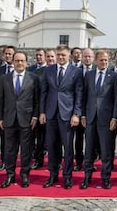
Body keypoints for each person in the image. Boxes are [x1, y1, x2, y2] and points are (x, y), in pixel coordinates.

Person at [39, 44, 83, 189]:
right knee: (52, 146)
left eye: (63, 55)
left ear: (69, 56)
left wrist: (76, 114)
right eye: (58, 55)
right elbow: (44, 92)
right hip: (51, 113)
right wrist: (42, 112)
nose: (60, 57)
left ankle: (67, 176)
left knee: (68, 147)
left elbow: (79, 94)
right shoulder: (49, 70)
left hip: (68, 114)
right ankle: (53, 175)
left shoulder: (76, 72)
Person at [0, 51, 40, 188]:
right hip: (9, 119)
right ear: (13, 62)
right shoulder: (4, 78)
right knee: (9, 149)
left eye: (22, 61)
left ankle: (24, 175)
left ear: (26, 62)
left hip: (27, 120)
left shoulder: (33, 78)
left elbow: (37, 100)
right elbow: (0, 100)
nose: (19, 63)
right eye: (17, 60)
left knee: (26, 149)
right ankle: (9, 174)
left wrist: (35, 116)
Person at [80, 49, 117, 190]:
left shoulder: (114, 76)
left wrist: (115, 117)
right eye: (101, 60)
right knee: (89, 149)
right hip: (90, 118)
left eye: (106, 60)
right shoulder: (89, 75)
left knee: (106, 151)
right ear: (96, 60)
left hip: (107, 119)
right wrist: (83, 115)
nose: (104, 62)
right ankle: (87, 177)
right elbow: (84, 97)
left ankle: (105, 178)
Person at [74, 48, 96, 172]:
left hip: (92, 111)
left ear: (93, 58)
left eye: (89, 56)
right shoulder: (76, 72)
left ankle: (90, 162)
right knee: (78, 138)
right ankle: (78, 162)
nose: (87, 58)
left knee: (91, 139)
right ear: (81, 57)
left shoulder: (96, 71)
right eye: (85, 56)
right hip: (78, 110)